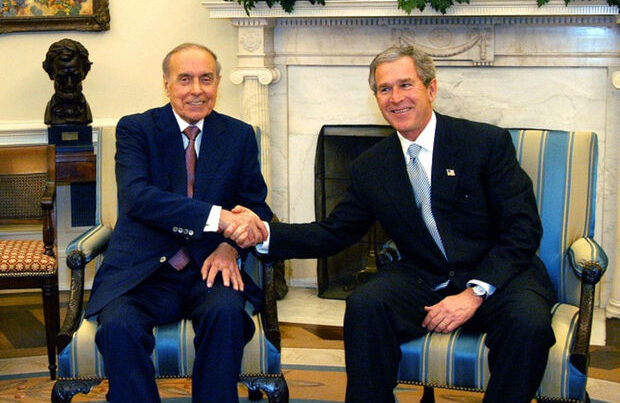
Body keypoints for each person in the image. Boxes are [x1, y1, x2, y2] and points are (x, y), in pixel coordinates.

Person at [225, 45, 557, 403]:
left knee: (528, 324)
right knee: (366, 304)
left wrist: (474, 293)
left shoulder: (484, 143)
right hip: (425, 276)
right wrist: (264, 232)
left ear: (431, 88)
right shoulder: (371, 166)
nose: (395, 98)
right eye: (384, 89)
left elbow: (523, 228)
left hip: (499, 275)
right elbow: (335, 232)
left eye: (405, 85)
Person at [85, 43, 271, 403]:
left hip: (210, 269)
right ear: (166, 84)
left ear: (218, 82)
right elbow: (138, 198)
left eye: (206, 79)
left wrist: (228, 247)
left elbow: (255, 208)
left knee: (227, 316)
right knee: (119, 328)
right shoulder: (137, 129)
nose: (196, 90)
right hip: (143, 271)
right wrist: (218, 218)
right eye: (185, 79)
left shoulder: (238, 135)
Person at [42, 38, 93, 125]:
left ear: (85, 73)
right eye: (62, 77)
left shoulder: (85, 111)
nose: (69, 84)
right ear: (51, 73)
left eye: (75, 77)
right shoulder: (51, 112)